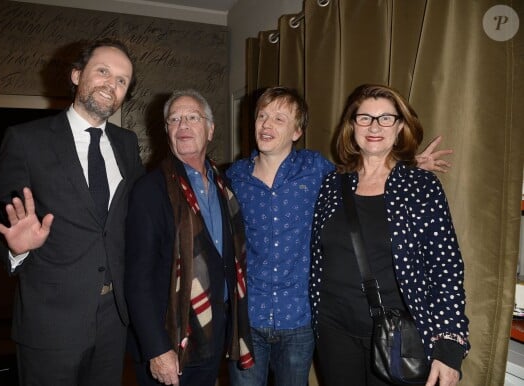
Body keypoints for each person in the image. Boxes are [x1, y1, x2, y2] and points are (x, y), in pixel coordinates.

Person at [226, 86, 454, 386]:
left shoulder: (318, 171)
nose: (267, 125)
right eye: (262, 116)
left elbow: (446, 267)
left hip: (309, 321)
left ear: (297, 131)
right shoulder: (236, 177)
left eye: (279, 118)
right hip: (268, 320)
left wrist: (410, 168)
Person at [0, 38, 145, 386]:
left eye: (121, 80)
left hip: (114, 320)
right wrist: (15, 247)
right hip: (50, 323)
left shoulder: (128, 144)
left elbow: (134, 222)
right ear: (76, 75)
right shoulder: (27, 141)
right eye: (103, 71)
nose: (110, 84)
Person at [310, 84, 470, 386]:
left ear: (400, 128)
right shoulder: (333, 184)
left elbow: (446, 267)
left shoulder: (421, 187)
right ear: (352, 126)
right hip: (332, 331)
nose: (374, 126)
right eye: (365, 118)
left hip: (398, 336)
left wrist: (449, 349)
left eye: (386, 118)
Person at [125, 89, 254, 386]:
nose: (183, 125)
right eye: (174, 119)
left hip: (212, 334)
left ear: (210, 130)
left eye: (192, 117)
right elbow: (136, 279)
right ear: (167, 131)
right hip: (169, 339)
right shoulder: (150, 191)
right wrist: (157, 349)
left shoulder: (225, 185)